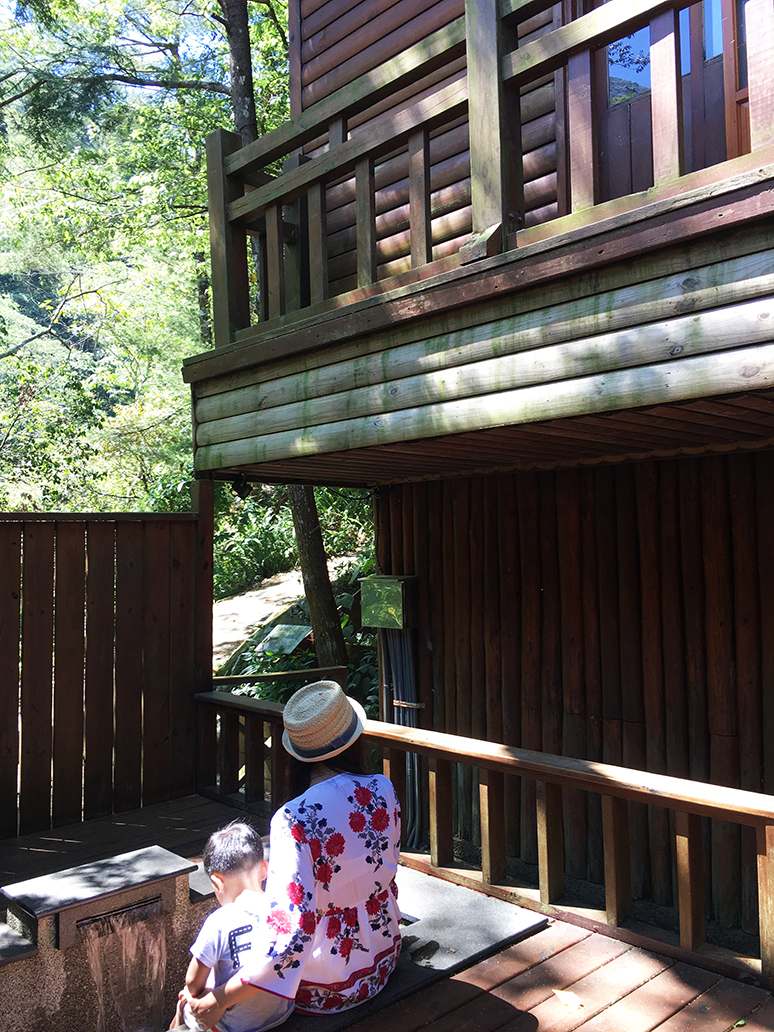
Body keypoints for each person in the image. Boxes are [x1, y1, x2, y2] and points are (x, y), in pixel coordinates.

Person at [182, 680, 402, 1028]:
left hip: (324, 989)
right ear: (354, 738)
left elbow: (291, 930)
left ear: (296, 753)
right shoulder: (382, 788)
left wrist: (219, 998)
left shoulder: (293, 818)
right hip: (383, 958)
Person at [171, 820, 294, 1032]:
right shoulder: (285, 909)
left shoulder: (219, 921)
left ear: (217, 882)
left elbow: (192, 982)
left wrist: (195, 995)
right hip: (280, 1015)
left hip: (232, 1026)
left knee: (184, 1001)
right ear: (264, 869)